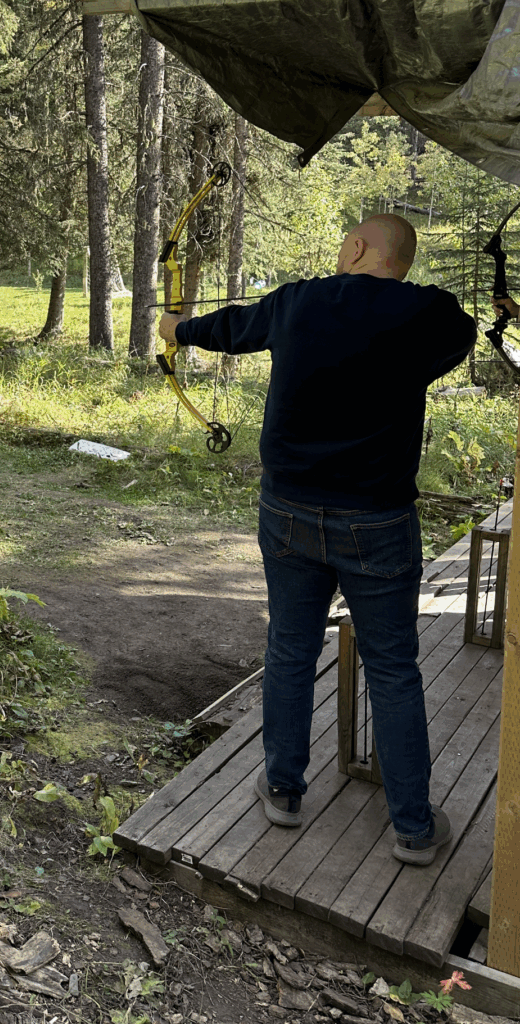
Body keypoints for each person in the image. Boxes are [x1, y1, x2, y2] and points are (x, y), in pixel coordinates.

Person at [159, 214, 478, 866]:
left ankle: (283, 791)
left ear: (357, 247)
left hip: (290, 513)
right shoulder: (428, 315)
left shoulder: (298, 302)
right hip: (378, 522)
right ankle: (413, 828)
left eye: (344, 242)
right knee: (393, 669)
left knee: (291, 650)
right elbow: (461, 334)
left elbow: (230, 327)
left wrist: (175, 328)